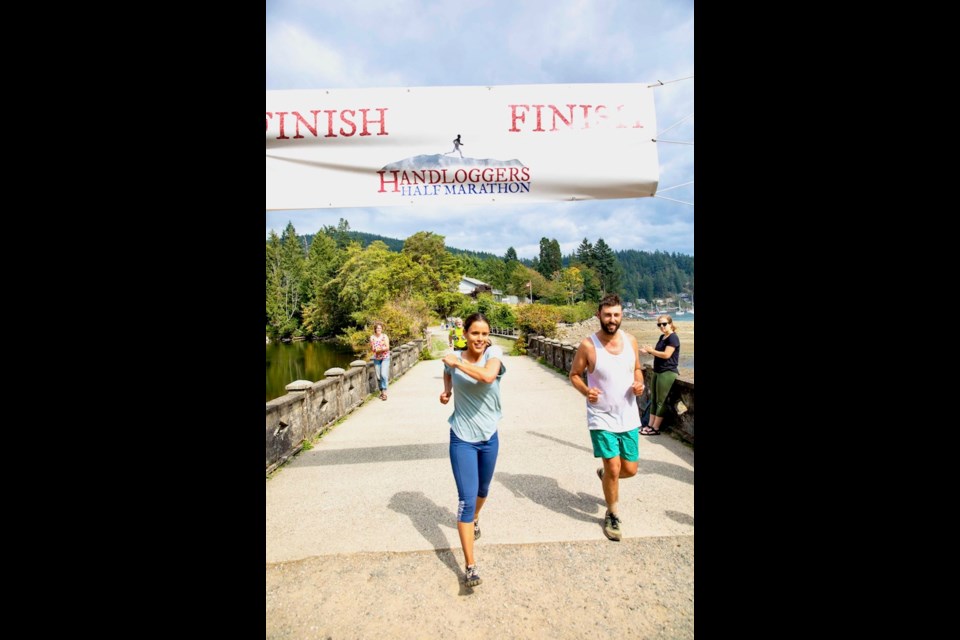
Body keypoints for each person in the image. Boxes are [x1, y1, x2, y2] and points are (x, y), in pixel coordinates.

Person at [568, 293, 645, 542]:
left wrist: (639, 384)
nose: (612, 319)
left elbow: (637, 369)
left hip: (628, 415)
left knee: (629, 470)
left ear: (622, 316)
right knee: (614, 466)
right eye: (607, 314)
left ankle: (606, 477)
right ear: (599, 315)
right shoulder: (588, 346)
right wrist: (586, 390)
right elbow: (575, 374)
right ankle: (612, 513)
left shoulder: (631, 341)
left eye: (616, 315)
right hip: (601, 416)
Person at [440, 313, 505, 587]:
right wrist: (447, 392)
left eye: (484, 333)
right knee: (466, 500)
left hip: (489, 436)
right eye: (475, 333)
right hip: (462, 438)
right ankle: (470, 566)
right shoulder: (453, 358)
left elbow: (488, 377)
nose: (480, 338)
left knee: (483, 491)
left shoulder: (495, 354)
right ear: (464, 333)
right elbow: (447, 372)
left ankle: (477, 517)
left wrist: (457, 364)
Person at [639, 315, 680, 435]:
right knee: (654, 399)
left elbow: (667, 355)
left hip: (667, 372)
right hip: (657, 370)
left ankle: (655, 428)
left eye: (664, 324)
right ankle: (650, 425)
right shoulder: (662, 337)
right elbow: (659, 354)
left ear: (670, 324)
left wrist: (651, 351)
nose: (661, 326)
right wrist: (649, 351)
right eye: (659, 324)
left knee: (661, 401)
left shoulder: (673, 338)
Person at [369, 322, 391, 401]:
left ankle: (384, 392)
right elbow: (372, 349)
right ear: (375, 329)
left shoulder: (385, 336)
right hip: (376, 359)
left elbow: (387, 347)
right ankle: (381, 391)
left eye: (380, 328)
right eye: (377, 328)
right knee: (378, 376)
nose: (379, 330)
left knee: (383, 374)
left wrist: (379, 350)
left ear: (382, 329)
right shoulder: (372, 337)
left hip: (385, 357)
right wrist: (378, 350)